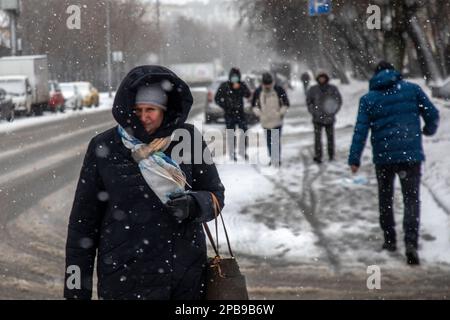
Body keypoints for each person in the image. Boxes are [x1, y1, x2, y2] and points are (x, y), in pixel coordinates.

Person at [64, 65, 225, 300]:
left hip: (182, 279)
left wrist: (194, 204)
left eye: (151, 109)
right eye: (137, 109)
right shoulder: (104, 147)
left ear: (165, 110)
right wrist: (76, 292)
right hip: (125, 279)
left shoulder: (188, 139)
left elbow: (216, 195)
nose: (143, 116)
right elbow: (83, 225)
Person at [348, 61, 440, 265]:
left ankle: (390, 240)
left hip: (384, 159)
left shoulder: (369, 99)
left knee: (386, 199)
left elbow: (360, 130)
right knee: (411, 200)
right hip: (410, 157)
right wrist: (428, 130)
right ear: (395, 73)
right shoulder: (412, 90)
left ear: (376, 76)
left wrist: (354, 159)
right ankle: (411, 243)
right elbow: (432, 114)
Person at [251, 72, 290, 166]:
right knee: (269, 141)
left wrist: (280, 113)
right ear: (263, 83)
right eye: (266, 84)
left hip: (277, 120)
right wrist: (260, 114)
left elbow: (286, 103)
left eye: (269, 83)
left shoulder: (278, 89)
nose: (268, 86)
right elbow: (254, 105)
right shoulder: (258, 91)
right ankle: (272, 158)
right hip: (265, 121)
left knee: (275, 140)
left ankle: (276, 159)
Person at [214, 67, 251, 161]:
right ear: (230, 77)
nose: (235, 79)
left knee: (243, 133)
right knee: (231, 134)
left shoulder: (241, 85)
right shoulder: (224, 86)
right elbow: (217, 98)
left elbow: (248, 94)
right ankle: (232, 153)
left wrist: (241, 87)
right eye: (233, 77)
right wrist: (225, 106)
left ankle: (243, 152)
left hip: (241, 114)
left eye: (237, 77)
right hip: (229, 114)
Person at [306, 71, 342, 163]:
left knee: (330, 138)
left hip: (329, 118)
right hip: (317, 118)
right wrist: (313, 111)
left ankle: (331, 155)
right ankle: (318, 156)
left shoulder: (332, 89)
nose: (322, 79)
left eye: (323, 77)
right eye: (320, 77)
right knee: (317, 139)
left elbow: (338, 101)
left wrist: (333, 111)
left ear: (326, 78)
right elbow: (309, 102)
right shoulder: (313, 89)